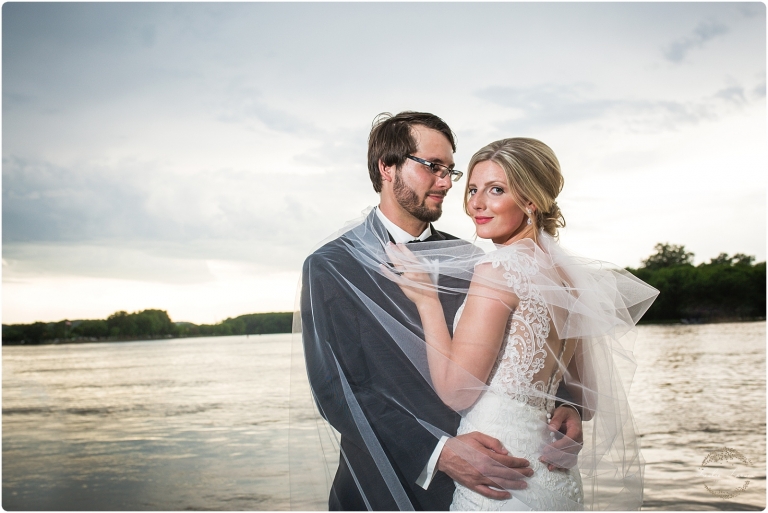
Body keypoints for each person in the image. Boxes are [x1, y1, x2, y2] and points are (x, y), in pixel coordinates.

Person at [299, 112, 584, 510]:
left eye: (451, 169)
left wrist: (567, 405)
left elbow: (529, 341)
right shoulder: (330, 265)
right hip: (386, 486)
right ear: (387, 167)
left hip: (499, 479)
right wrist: (439, 452)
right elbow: (336, 391)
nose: (448, 182)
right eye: (433, 167)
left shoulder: (474, 258)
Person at [383, 137, 659, 509]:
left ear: (530, 200)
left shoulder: (498, 269)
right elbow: (587, 399)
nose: (476, 204)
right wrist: (570, 411)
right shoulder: (568, 276)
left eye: (496, 190)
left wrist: (427, 301)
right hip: (553, 472)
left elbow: (457, 392)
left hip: (499, 468)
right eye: (473, 189)